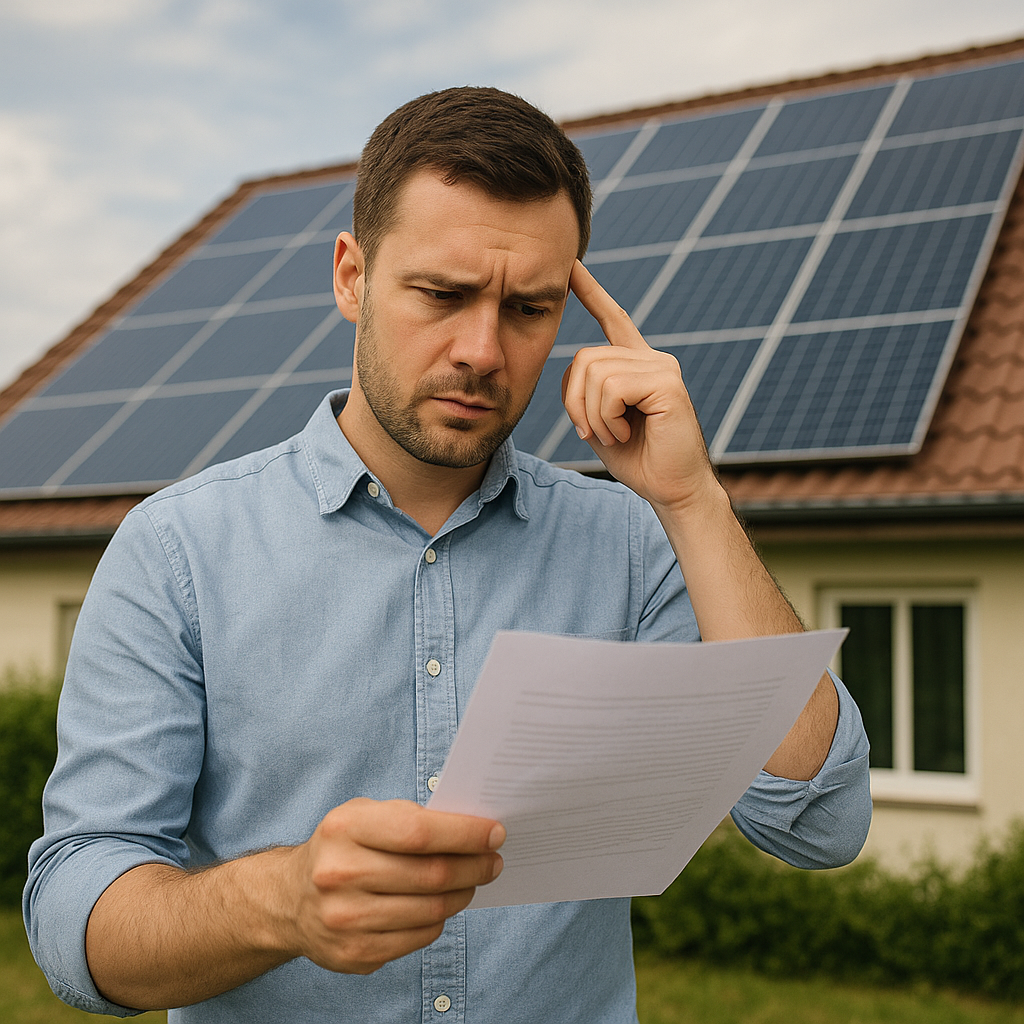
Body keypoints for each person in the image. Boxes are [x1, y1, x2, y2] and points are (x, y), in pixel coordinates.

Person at [25, 87, 870, 1022]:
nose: (482, 349)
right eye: (443, 293)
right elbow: (76, 923)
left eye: (530, 308)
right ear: (351, 276)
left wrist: (691, 500)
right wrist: (285, 901)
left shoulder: (634, 542)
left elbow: (818, 821)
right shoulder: (177, 551)